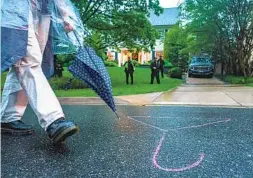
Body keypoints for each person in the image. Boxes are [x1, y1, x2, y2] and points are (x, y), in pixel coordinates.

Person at [1, 0, 81, 144]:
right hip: (15, 6)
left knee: (20, 62)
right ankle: (53, 120)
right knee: (29, 61)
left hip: (43, 10)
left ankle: (8, 117)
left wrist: (65, 14)